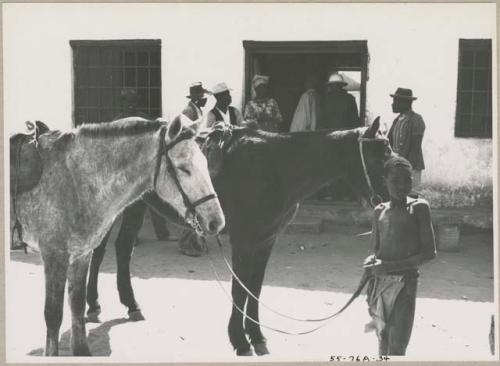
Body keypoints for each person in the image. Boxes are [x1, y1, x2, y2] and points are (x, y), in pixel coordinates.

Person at [363, 156, 436, 356]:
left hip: (406, 285)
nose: (402, 185)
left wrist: (389, 267)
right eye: (395, 180)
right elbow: (374, 249)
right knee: (382, 338)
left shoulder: (419, 208)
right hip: (380, 284)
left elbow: (429, 252)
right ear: (384, 181)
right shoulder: (379, 211)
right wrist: (371, 262)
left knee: (397, 345)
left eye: (407, 180)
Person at [114, 88, 170, 244]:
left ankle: (162, 232)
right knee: (129, 205)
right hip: (127, 170)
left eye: (133, 101)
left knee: (154, 200)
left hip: (146, 168)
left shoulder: (145, 120)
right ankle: (132, 237)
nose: (130, 105)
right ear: (122, 103)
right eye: (127, 101)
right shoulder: (116, 123)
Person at [387, 88, 426, 190]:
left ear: (405, 103)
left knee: (410, 194)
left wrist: (405, 167)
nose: (393, 104)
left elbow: (415, 147)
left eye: (396, 101)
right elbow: (389, 142)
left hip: (411, 166)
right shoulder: (397, 120)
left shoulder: (416, 119)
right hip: (397, 165)